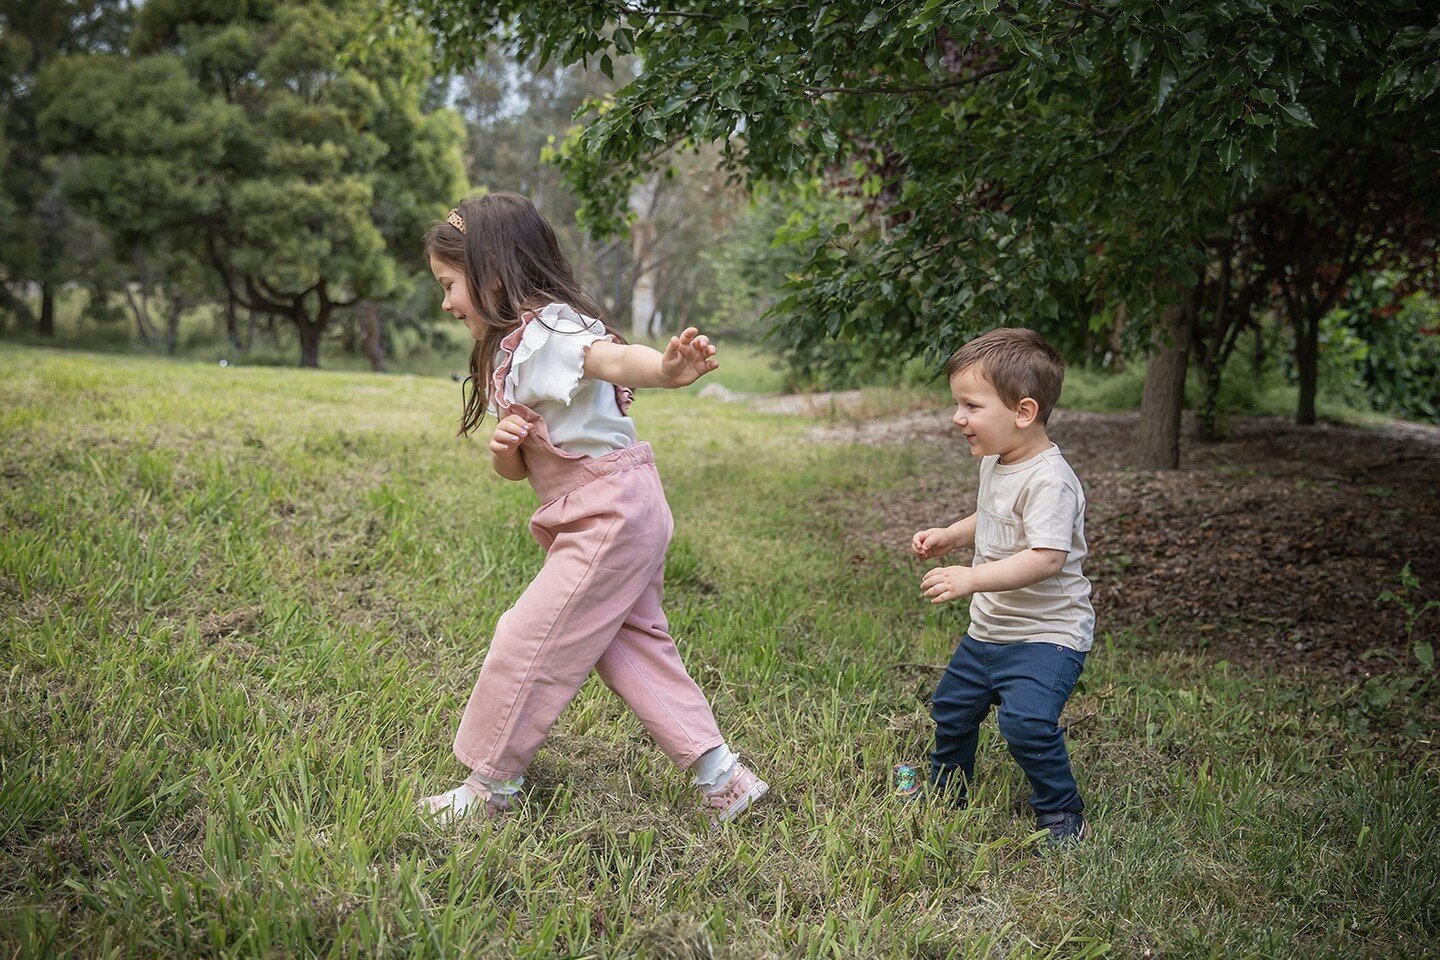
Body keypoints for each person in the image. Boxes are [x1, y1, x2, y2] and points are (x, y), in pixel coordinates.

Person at [418, 193, 767, 826]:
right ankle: (724, 778)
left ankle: (492, 786)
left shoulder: (550, 331)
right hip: (613, 510)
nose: (445, 302)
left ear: (492, 273)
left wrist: (664, 368)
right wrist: (504, 448)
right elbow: (517, 468)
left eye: (450, 284)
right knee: (629, 643)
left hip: (609, 512)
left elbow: (606, 357)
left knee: (527, 637)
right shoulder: (510, 353)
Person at [909, 327, 1094, 847]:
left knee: (1026, 724)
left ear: (1023, 412)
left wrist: (972, 578)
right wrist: (952, 534)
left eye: (970, 405)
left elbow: (1046, 557)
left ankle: (1061, 814)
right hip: (990, 631)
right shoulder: (998, 461)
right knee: (952, 709)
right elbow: (992, 516)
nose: (957, 418)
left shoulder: (1050, 481)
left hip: (1047, 635)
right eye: (957, 404)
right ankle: (948, 790)